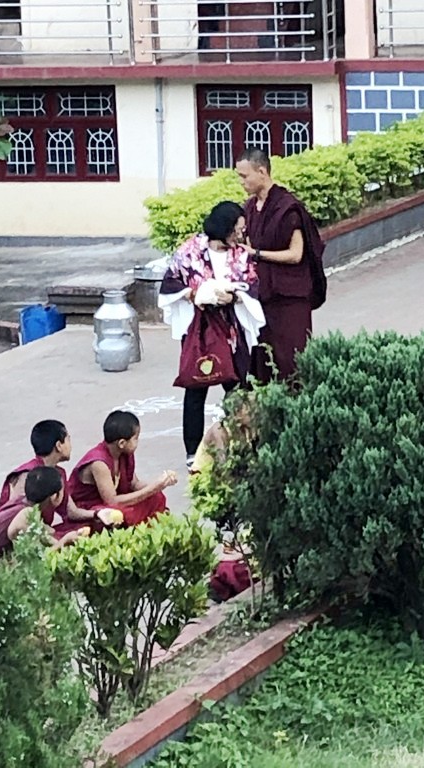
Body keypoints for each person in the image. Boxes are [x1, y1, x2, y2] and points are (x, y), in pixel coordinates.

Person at [159, 200, 265, 468]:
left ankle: (240, 442)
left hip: (231, 329)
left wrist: (233, 296)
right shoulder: (190, 251)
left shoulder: (240, 255)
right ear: (224, 228)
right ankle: (193, 452)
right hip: (200, 329)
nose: (241, 234)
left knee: (237, 386)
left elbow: (252, 284)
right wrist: (194, 293)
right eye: (237, 229)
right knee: (196, 388)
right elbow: (171, 282)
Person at [235, 147, 327, 382]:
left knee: (291, 361)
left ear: (262, 172)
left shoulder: (288, 207)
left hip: (289, 297)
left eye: (244, 176)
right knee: (262, 361)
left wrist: (257, 254)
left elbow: (296, 255)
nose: (241, 182)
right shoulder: (249, 208)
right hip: (260, 296)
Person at [0, 419, 112, 533]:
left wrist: (97, 513)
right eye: (68, 439)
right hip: (17, 536)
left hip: (41, 531)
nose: (70, 445)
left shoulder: (58, 474)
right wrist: (49, 534)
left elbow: (71, 512)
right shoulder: (28, 476)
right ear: (59, 445)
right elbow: (19, 521)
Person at [68, 410, 177, 526]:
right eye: (135, 438)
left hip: (113, 501)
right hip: (91, 507)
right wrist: (152, 488)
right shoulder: (99, 463)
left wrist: (161, 483)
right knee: (117, 515)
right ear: (121, 443)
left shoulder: (124, 454)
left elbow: (134, 484)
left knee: (156, 497)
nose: (137, 442)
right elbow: (112, 501)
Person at [0, 466, 84, 556]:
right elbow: (39, 557)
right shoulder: (26, 515)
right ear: (55, 497)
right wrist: (64, 541)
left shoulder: (23, 501)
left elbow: (44, 535)